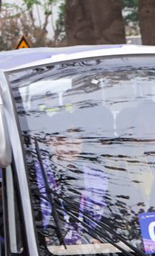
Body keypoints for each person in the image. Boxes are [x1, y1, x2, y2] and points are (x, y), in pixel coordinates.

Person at [31, 106, 124, 247]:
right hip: (47, 252)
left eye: (76, 138)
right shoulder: (33, 175)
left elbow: (111, 216)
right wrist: (40, 238)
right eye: (63, 138)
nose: (70, 145)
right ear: (49, 142)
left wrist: (100, 237)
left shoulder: (97, 176)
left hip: (89, 251)